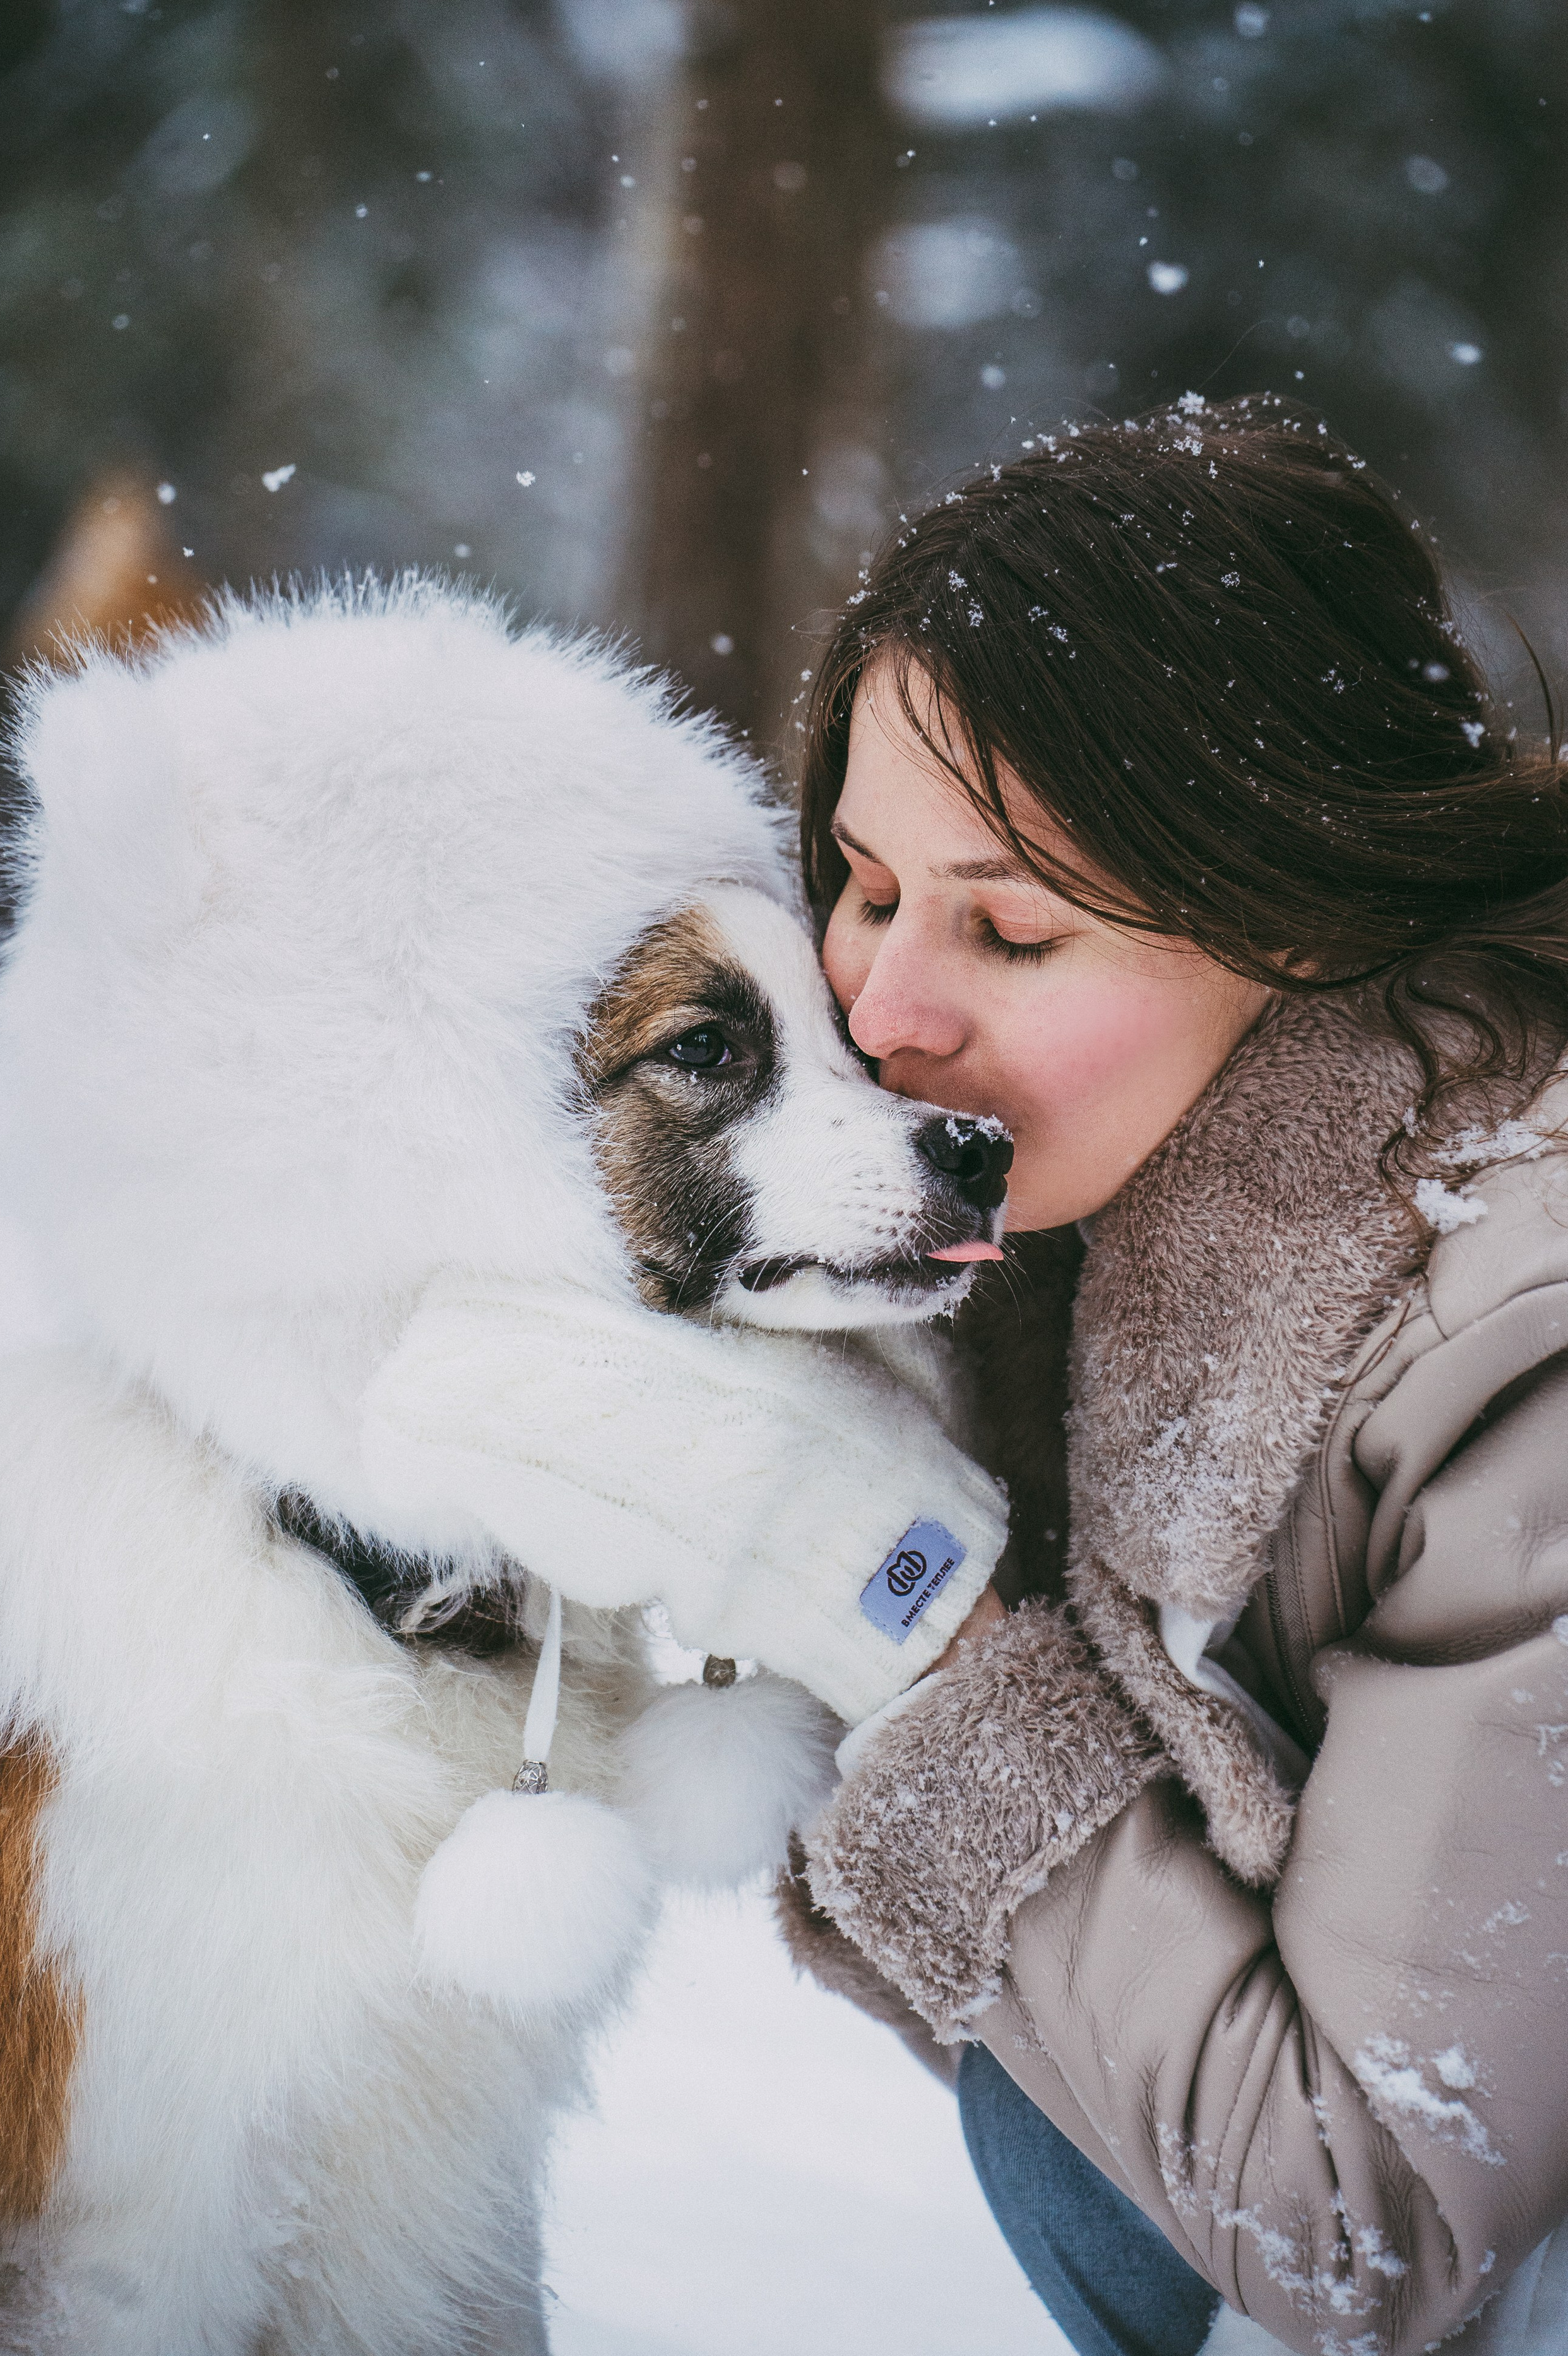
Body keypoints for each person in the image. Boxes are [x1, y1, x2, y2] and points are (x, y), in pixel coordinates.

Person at [783, 398, 1568, 2356]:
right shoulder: (1097, 1231)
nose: (880, 1012)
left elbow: (1369, 2225)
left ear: (1294, 917)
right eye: (866, 886)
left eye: (1014, 928)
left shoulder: (1522, 1343)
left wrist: (916, 1642)